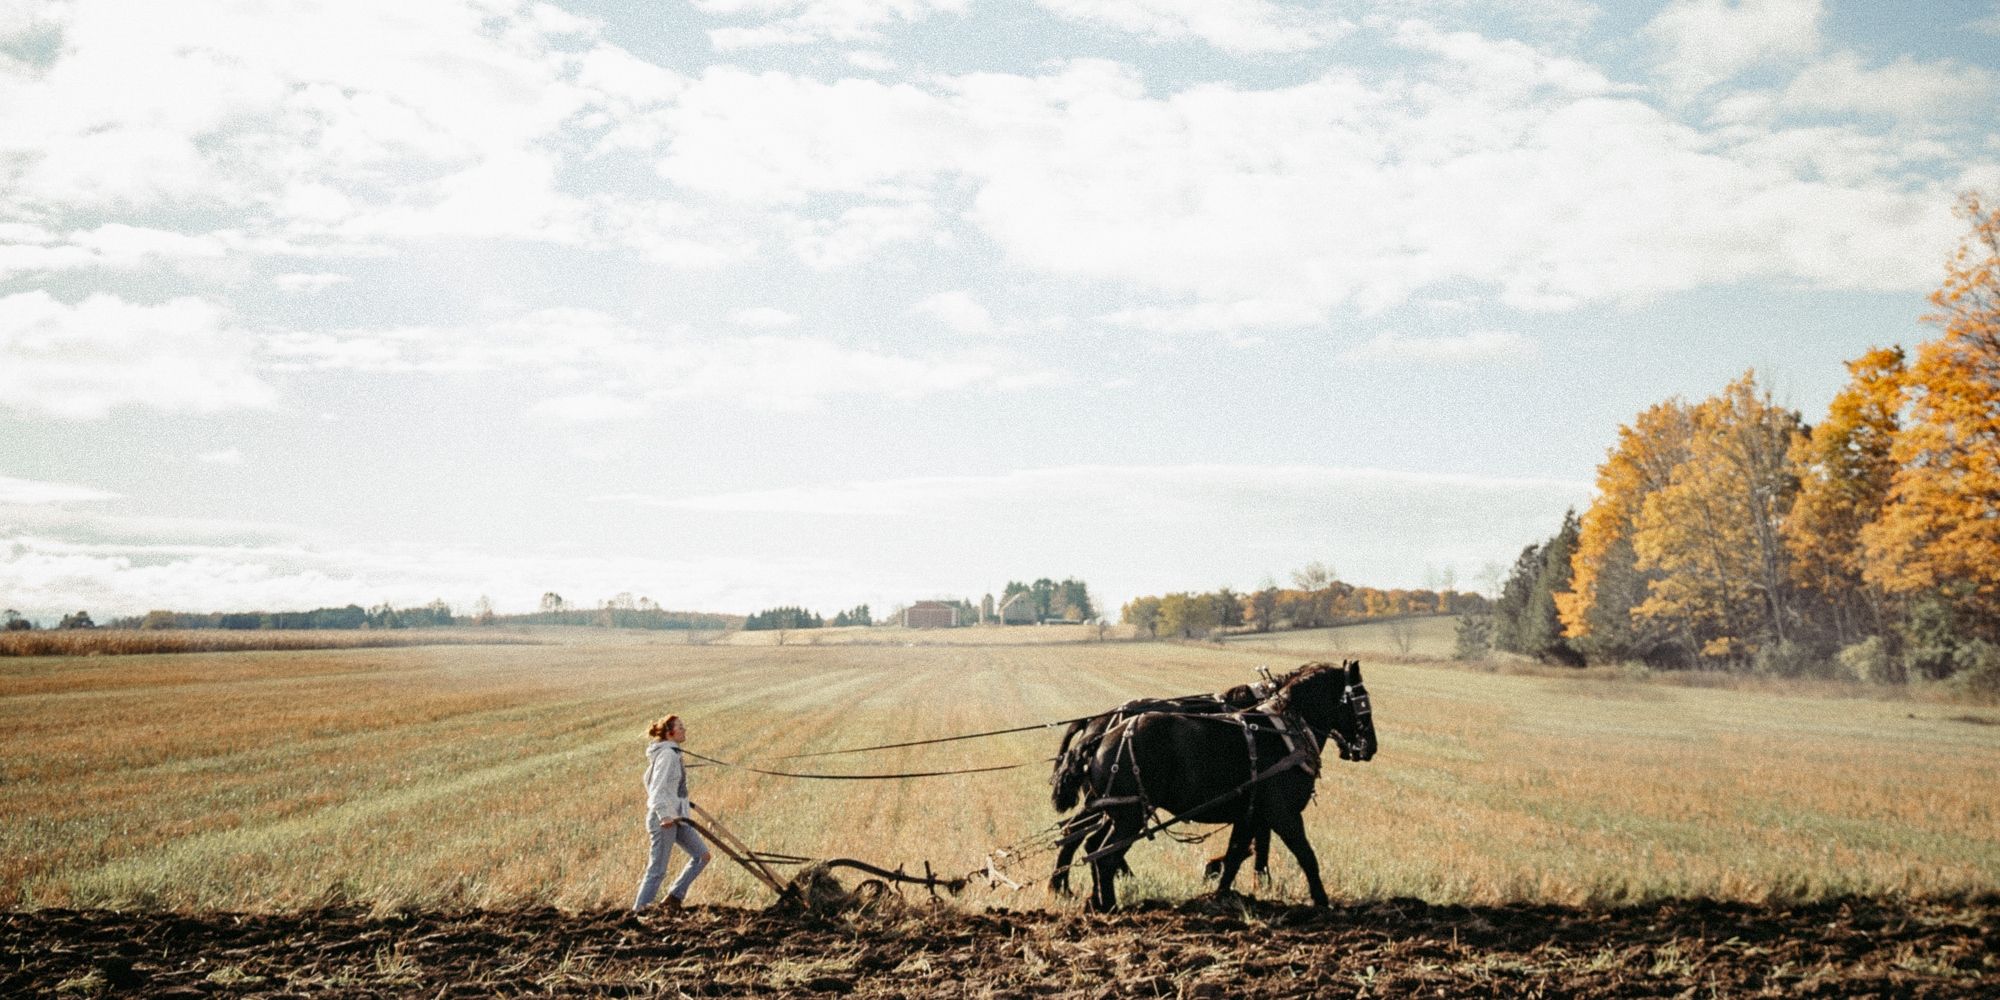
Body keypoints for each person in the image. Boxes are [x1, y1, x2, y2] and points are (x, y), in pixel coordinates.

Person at [633, 714, 711, 912]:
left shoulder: (673, 753)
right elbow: (656, 788)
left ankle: (674, 897)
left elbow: (656, 783)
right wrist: (664, 814)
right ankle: (639, 912)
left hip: (678, 817)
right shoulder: (667, 755)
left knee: (702, 856)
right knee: (657, 870)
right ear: (670, 733)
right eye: (681, 727)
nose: (685, 730)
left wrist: (679, 804)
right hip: (664, 820)